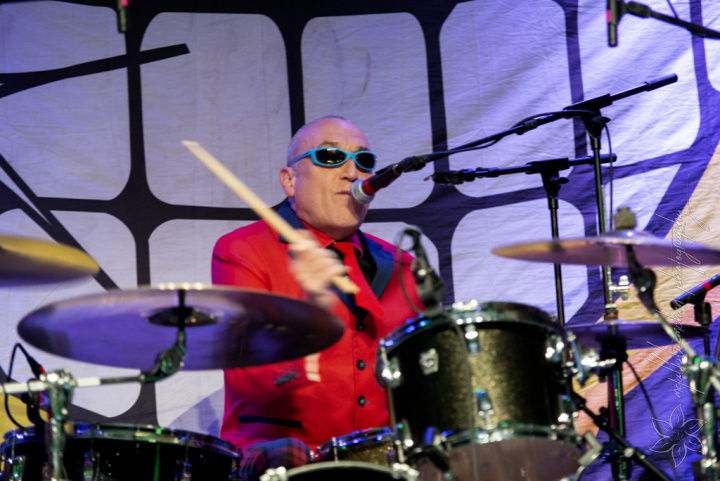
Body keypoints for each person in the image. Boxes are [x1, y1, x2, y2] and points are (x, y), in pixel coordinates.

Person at [211, 116, 424, 479]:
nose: (352, 173)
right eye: (329, 157)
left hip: (382, 465)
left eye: (364, 161)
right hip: (281, 462)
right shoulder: (243, 250)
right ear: (289, 180)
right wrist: (313, 312)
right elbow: (250, 380)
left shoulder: (403, 265)